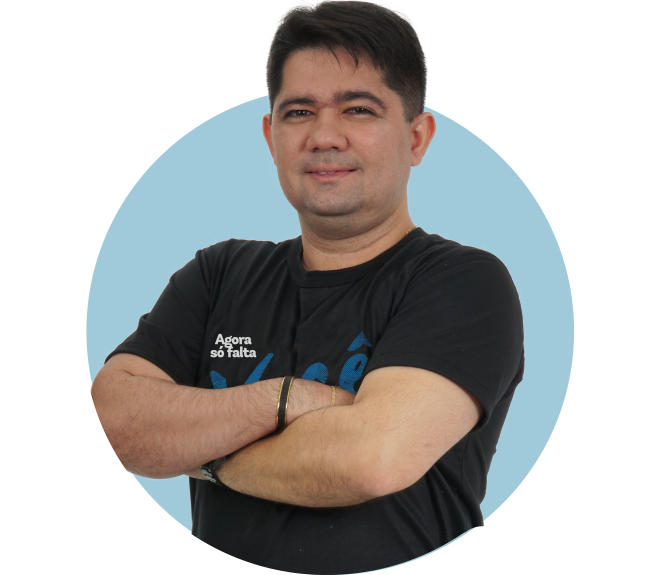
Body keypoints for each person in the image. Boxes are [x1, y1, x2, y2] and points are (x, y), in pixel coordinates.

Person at [91, 1, 524, 573]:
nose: (324, 136)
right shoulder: (217, 274)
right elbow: (108, 424)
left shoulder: (464, 283)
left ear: (417, 138)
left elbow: (369, 460)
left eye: (359, 109)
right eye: (299, 111)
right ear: (271, 137)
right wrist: (287, 400)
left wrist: (202, 455)